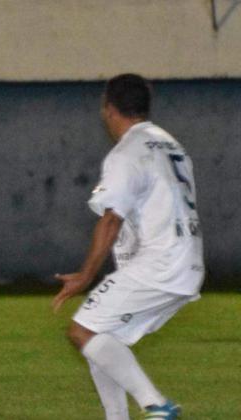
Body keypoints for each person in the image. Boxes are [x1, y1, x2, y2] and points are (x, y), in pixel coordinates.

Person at [53, 73, 203, 420]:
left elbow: (111, 219)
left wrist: (85, 275)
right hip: (187, 261)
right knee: (104, 339)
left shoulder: (127, 152)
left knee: (82, 330)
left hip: (160, 263)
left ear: (109, 109)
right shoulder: (169, 143)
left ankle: (156, 404)